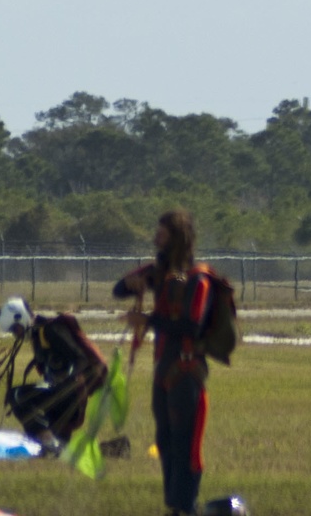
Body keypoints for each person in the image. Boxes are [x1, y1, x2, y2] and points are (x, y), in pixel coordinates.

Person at [115, 209, 212, 516]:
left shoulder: (197, 278)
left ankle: (187, 506)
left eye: (162, 233)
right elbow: (119, 290)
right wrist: (132, 283)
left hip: (186, 370)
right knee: (165, 440)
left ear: (177, 237)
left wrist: (146, 320)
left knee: (186, 444)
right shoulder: (160, 273)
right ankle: (174, 506)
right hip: (163, 370)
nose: (155, 237)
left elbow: (191, 326)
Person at [0, 296, 108, 455]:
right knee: (61, 452)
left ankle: (47, 440)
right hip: (63, 400)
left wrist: (65, 383)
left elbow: (81, 359)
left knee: (16, 395)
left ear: (21, 318)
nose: (15, 335)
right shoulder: (38, 335)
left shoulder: (50, 331)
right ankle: (110, 450)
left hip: (69, 397)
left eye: (14, 329)